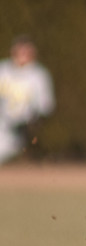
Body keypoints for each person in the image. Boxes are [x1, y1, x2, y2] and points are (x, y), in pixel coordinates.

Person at [0, 36, 54, 164]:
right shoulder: (3, 70)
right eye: (20, 51)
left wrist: (32, 122)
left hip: (18, 130)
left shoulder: (39, 75)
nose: (22, 55)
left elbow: (45, 106)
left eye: (26, 52)